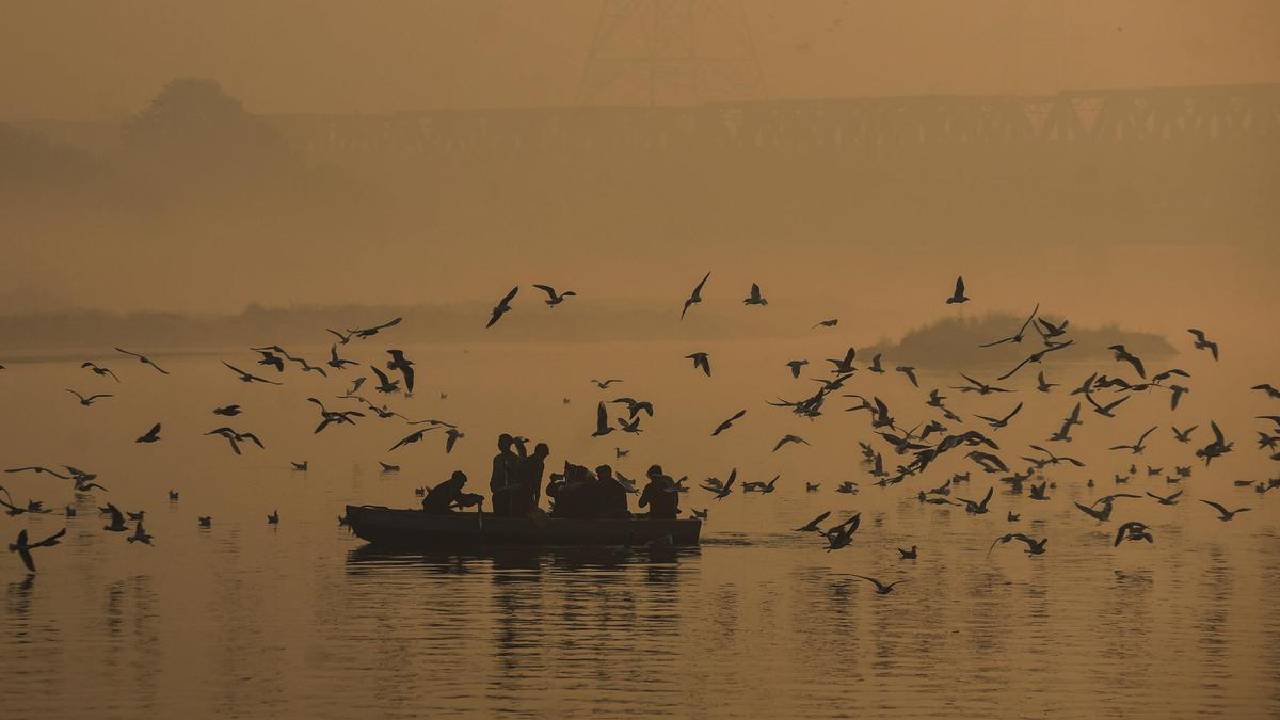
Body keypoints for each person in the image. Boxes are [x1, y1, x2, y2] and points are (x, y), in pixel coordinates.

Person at [489, 434, 522, 516]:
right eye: (499, 442)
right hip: (498, 493)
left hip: (510, 494)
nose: (499, 444)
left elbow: (517, 475)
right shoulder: (498, 458)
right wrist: (494, 486)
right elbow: (495, 474)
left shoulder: (514, 458)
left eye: (502, 442)